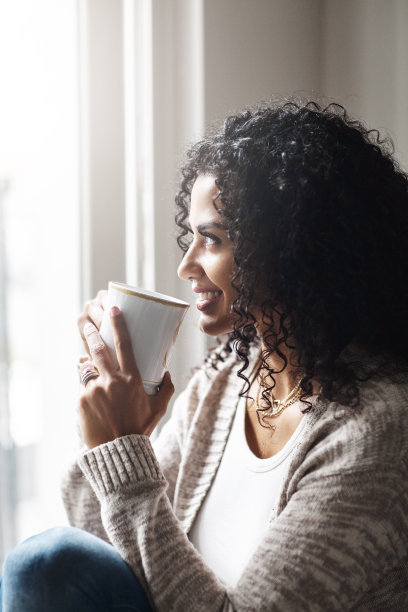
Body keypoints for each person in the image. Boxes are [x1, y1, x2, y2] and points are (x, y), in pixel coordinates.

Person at [1, 99, 408, 610]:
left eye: (211, 240)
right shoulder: (227, 378)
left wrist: (124, 452)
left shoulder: (376, 429)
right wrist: (113, 428)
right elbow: (97, 545)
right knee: (45, 562)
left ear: (293, 249)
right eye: (190, 237)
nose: (186, 266)